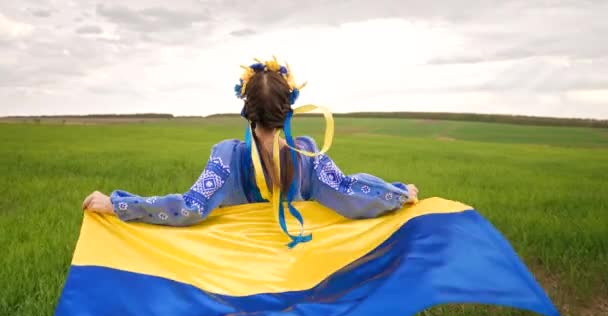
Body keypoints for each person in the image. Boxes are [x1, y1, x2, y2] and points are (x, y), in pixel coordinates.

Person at [82, 57, 419, 244]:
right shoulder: (309, 155)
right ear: (289, 109)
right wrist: (399, 193)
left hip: (241, 282)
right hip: (297, 277)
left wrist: (119, 205)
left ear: (246, 108)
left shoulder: (226, 156)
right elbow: (349, 191)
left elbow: (190, 207)